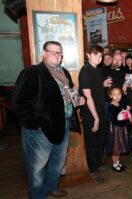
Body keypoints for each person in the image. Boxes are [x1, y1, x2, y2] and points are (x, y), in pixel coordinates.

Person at [12, 41, 85, 199]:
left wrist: (79, 99)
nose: (57, 55)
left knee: (58, 161)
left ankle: (51, 186)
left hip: (63, 123)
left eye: (59, 53)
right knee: (37, 167)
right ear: (43, 54)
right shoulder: (33, 72)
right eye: (53, 52)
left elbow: (70, 93)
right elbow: (18, 101)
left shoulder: (63, 72)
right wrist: (33, 124)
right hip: (40, 129)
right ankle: (37, 195)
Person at [79, 44, 107, 183]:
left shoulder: (97, 70)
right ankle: (93, 170)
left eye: (100, 55)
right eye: (95, 54)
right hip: (91, 114)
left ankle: (97, 162)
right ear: (88, 54)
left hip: (101, 111)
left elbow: (96, 89)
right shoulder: (85, 71)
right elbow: (88, 97)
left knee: (101, 140)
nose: (98, 57)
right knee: (92, 143)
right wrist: (95, 119)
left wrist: (103, 85)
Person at [106, 87, 131, 172]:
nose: (117, 96)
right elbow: (115, 121)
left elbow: (122, 115)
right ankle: (114, 164)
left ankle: (118, 162)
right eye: (114, 94)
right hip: (114, 130)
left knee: (119, 147)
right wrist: (126, 120)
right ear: (110, 96)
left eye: (119, 94)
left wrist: (126, 116)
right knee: (115, 148)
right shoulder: (111, 106)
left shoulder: (119, 104)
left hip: (120, 129)